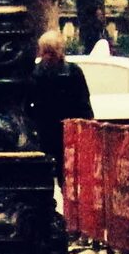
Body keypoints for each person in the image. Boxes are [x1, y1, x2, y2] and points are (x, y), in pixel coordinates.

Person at [29, 28, 95, 176]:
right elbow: (28, 102)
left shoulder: (73, 72)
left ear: (60, 52)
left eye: (51, 52)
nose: (47, 57)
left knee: (68, 174)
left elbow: (83, 103)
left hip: (68, 132)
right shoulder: (35, 73)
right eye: (44, 52)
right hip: (44, 131)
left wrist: (85, 127)